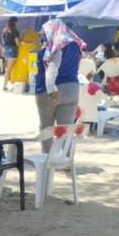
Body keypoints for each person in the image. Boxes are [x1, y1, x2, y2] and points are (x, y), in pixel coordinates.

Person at [34, 19, 85, 148]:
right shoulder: (76, 46)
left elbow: (50, 70)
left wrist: (51, 89)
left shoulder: (52, 48)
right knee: (66, 129)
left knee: (47, 128)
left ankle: (47, 156)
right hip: (72, 89)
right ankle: (66, 157)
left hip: (50, 91)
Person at [1, 17, 20, 91]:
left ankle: (6, 85)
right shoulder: (14, 31)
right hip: (12, 51)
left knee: (8, 69)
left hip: (6, 50)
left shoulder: (4, 30)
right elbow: (17, 43)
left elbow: (3, 42)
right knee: (10, 70)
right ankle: (6, 86)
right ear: (14, 23)